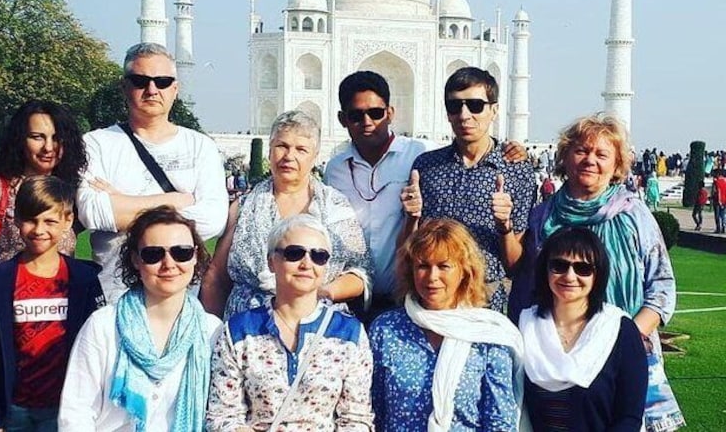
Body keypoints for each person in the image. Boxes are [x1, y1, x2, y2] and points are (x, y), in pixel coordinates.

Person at [507, 114, 685, 431]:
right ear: (565, 156)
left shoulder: (634, 215)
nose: (590, 160)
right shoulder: (544, 216)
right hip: (554, 358)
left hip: (625, 351)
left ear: (616, 164)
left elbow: (661, 288)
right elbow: (529, 287)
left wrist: (622, 339)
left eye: (601, 154)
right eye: (581, 151)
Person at [0, 100, 87, 431]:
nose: (49, 147)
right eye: (37, 137)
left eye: (56, 137)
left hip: (50, 355)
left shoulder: (68, 195)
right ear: (19, 140)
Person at [78, 42, 228, 303]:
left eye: (162, 81)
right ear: (124, 87)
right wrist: (175, 201)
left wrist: (121, 204)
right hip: (114, 297)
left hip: (180, 301)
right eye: (140, 81)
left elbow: (212, 220)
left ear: (175, 89)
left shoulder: (200, 146)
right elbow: (93, 212)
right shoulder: (96, 143)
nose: (152, 90)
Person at [59, 206, 221, 431]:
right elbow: (76, 412)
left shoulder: (212, 331)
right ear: (136, 260)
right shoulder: (103, 326)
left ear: (195, 256)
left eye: (181, 252)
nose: (169, 264)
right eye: (153, 254)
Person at [199, 110, 373, 319]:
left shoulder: (335, 206)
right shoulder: (244, 206)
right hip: (249, 327)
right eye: (282, 146)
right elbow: (216, 277)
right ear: (269, 151)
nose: (289, 156)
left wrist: (317, 295)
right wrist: (214, 332)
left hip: (316, 324)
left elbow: (359, 273)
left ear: (314, 156)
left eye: (301, 149)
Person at [206, 215, 374, 430]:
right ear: (271, 261)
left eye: (318, 256)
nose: (306, 264)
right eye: (294, 253)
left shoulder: (350, 333)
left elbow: (355, 419)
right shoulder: (239, 330)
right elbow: (223, 415)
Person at [0, 176, 105, 432]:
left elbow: (99, 349)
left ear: (68, 221)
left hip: (66, 409)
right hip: (14, 410)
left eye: (50, 221)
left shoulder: (84, 280)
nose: (39, 230)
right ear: (17, 219)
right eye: (31, 220)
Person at [369, 218, 525, 431]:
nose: (432, 277)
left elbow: (500, 422)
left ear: (464, 271)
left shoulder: (487, 336)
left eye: (444, 266)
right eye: (423, 266)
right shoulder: (386, 330)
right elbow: (373, 411)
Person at [401, 67, 536, 311]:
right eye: (455, 106)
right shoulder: (427, 166)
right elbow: (408, 248)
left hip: (488, 300)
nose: (464, 115)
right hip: (435, 299)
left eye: (475, 105)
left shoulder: (516, 170)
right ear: (448, 114)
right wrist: (411, 218)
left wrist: (504, 226)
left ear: (493, 110)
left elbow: (515, 264)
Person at [324, 71, 436, 318]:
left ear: (390, 113)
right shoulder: (335, 169)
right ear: (343, 119)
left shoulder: (418, 154)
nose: (367, 122)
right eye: (356, 115)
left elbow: (460, 155)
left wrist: (506, 150)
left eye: (375, 113)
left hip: (406, 295)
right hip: (350, 297)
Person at [519, 226, 647, 431]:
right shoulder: (524, 326)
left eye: (583, 268)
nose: (570, 276)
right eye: (559, 265)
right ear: (545, 269)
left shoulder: (619, 330)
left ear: (598, 274)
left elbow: (629, 416)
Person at [712, 169, 726, 234]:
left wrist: (718, 200)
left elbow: (717, 192)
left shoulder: (716, 182)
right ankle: (723, 227)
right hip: (724, 200)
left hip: (717, 200)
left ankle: (718, 228)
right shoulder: (725, 181)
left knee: (717, 215)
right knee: (723, 215)